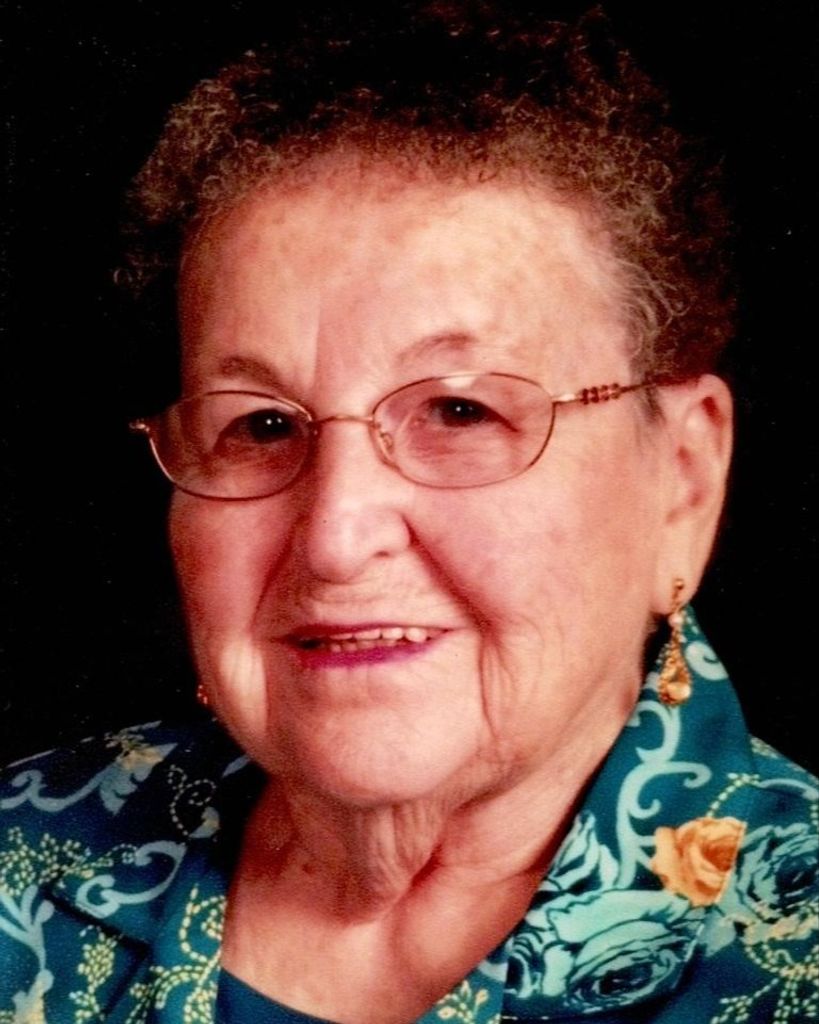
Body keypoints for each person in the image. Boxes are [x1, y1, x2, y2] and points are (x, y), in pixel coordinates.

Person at [1, 7, 816, 1023]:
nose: (336, 537)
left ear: (683, 479)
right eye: (260, 424)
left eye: (460, 411)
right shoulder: (22, 859)